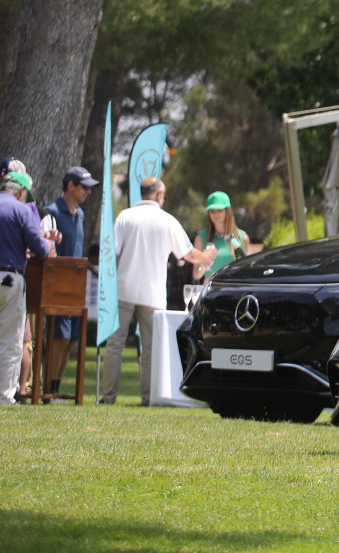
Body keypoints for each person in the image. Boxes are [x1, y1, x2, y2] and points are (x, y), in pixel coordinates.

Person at [99, 176, 209, 405]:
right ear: (159, 194)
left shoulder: (125, 216)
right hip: (153, 293)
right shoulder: (166, 220)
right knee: (150, 349)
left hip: (123, 289)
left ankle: (108, 397)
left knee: (115, 346)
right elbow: (188, 255)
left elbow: (112, 252)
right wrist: (209, 256)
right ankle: (148, 398)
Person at [39, 166, 95, 395]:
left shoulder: (80, 214)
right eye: (84, 187)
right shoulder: (51, 212)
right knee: (59, 337)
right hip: (57, 286)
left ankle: (55, 388)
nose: (88, 193)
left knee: (72, 339)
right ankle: (47, 390)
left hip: (76, 285)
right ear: (70, 186)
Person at [0, 169, 53, 405]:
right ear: (22, 191)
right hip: (10, 279)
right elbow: (41, 249)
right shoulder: (21, 210)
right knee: (11, 340)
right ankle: (4, 395)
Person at [193, 192, 249, 281]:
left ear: (227, 211)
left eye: (219, 210)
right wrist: (202, 267)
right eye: (212, 211)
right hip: (211, 287)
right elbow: (196, 274)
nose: (215, 214)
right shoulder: (201, 238)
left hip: (235, 285)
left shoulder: (242, 237)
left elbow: (246, 268)